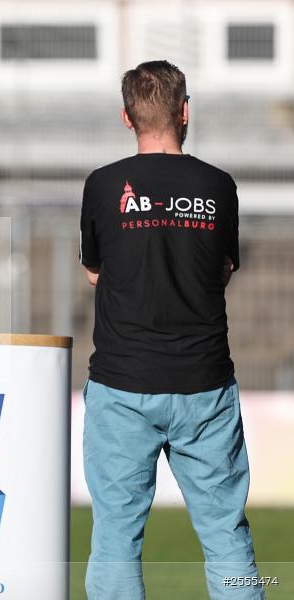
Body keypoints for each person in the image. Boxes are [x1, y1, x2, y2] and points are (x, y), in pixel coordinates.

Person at [79, 60, 262, 600]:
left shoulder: (103, 184)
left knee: (115, 538)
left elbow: (95, 271)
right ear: (184, 113)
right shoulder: (218, 186)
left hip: (122, 383)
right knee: (226, 534)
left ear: (126, 117)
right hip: (204, 385)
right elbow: (223, 268)